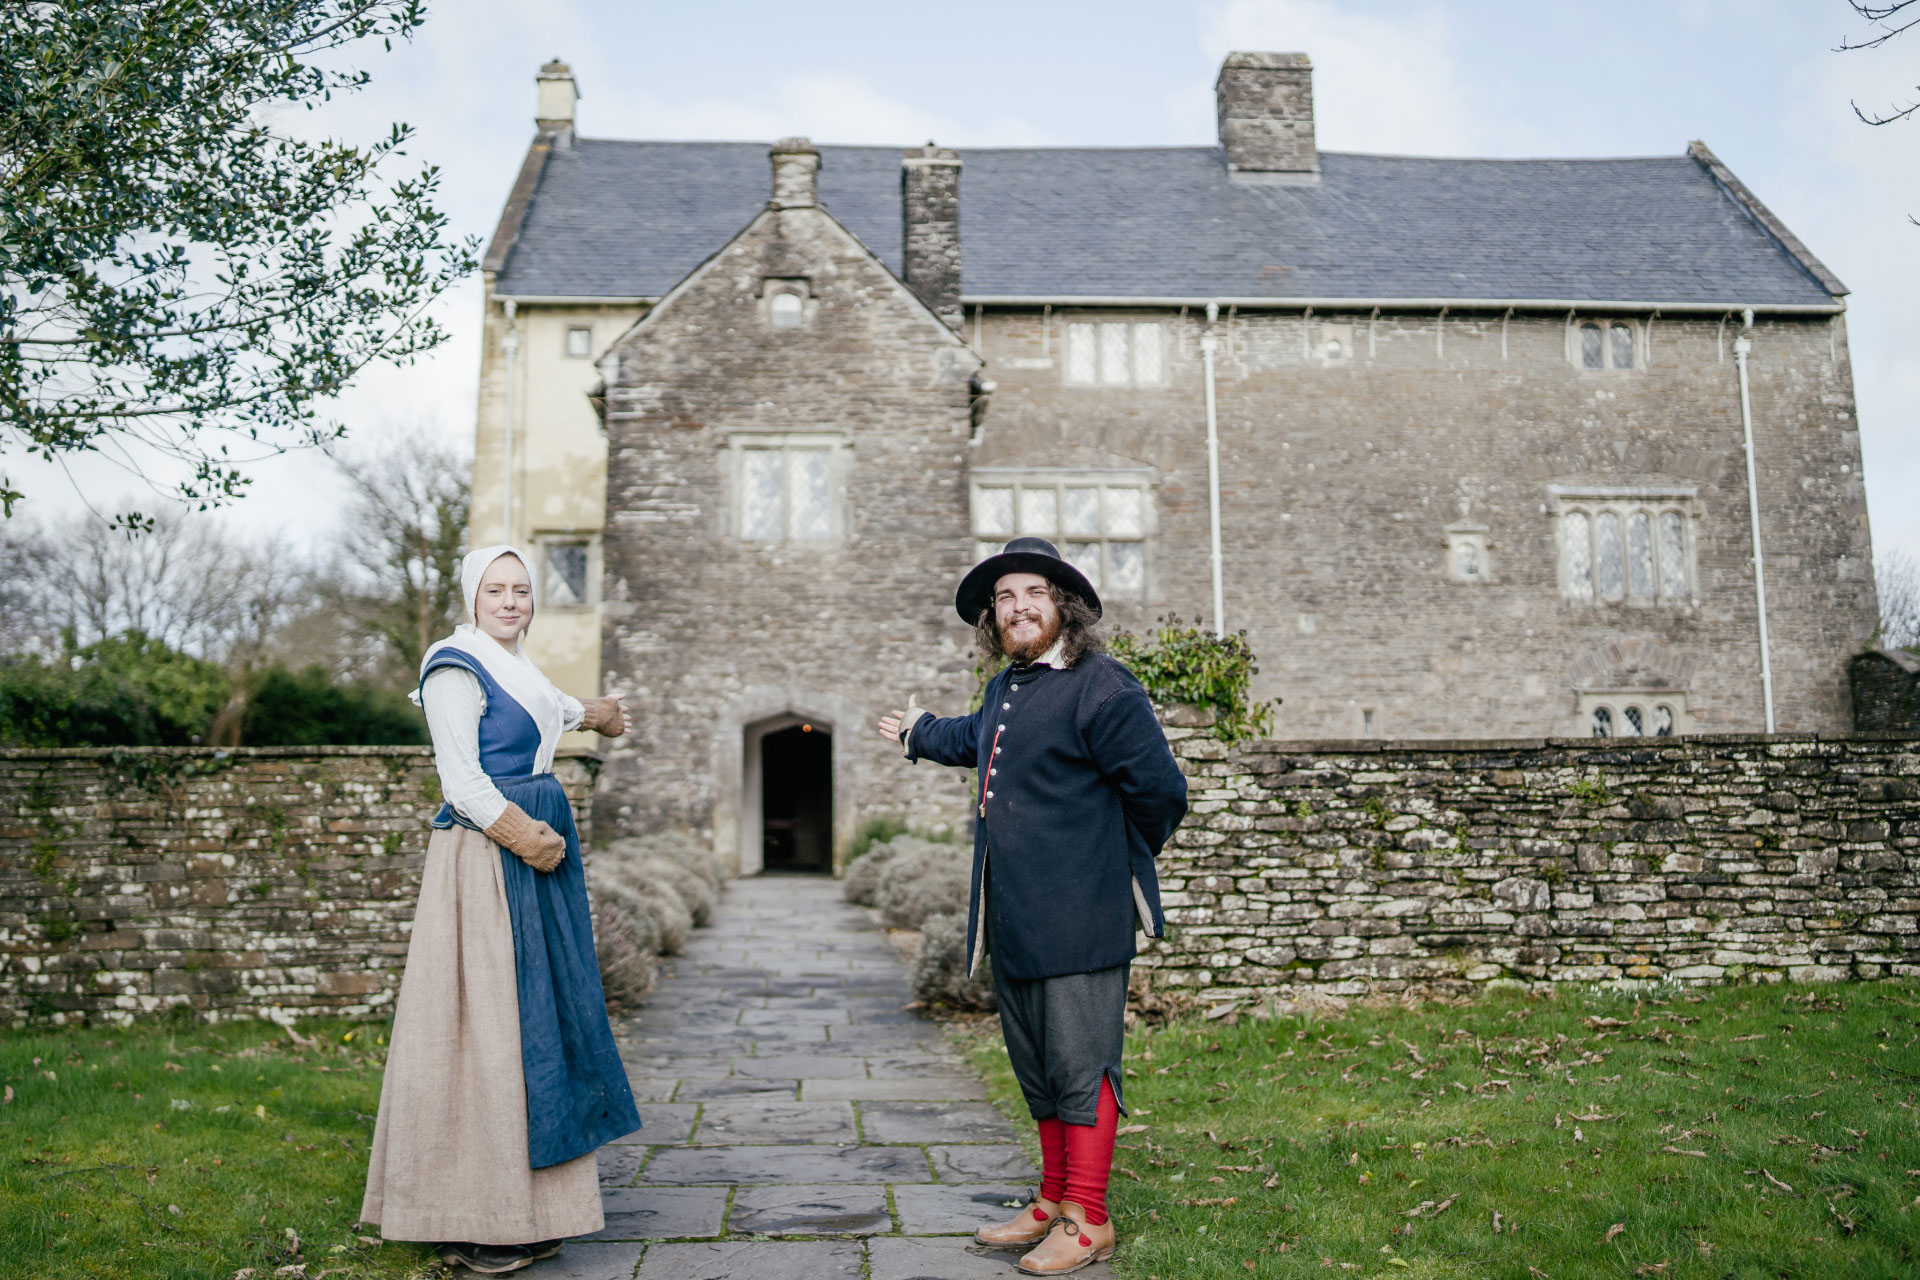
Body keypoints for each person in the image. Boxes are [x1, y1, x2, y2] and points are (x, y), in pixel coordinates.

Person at [876, 536, 1188, 1276]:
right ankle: (1051, 1200)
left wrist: (1108, 864)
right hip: (1013, 919)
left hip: (1083, 919)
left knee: (1082, 1070)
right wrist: (920, 733)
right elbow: (976, 738)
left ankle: (1090, 1217)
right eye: (1006, 598)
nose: (1018, 608)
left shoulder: (1103, 686)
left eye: (1034, 595)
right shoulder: (1004, 690)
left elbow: (1161, 794)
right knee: (1039, 1071)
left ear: (1065, 608)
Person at [361, 545, 642, 1275]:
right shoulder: (454, 666)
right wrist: (525, 836)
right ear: (472, 595)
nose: (512, 601)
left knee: (541, 1018)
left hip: (537, 852)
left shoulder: (514, 663)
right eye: (496, 590)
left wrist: (600, 715)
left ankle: (533, 1209)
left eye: (521, 590)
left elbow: (552, 708)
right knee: (486, 1025)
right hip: (490, 859)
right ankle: (472, 1213)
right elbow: (462, 779)